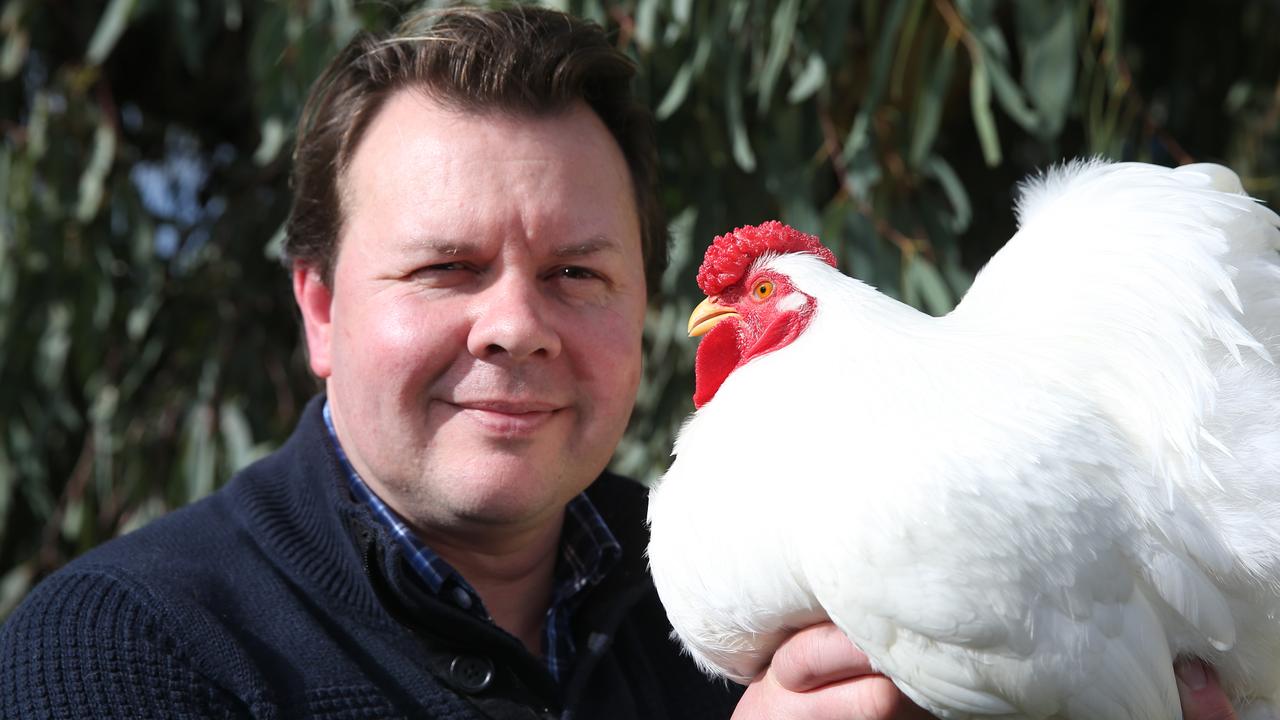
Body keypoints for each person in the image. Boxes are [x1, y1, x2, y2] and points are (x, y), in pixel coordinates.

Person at [0, 5, 1241, 720]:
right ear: (317, 308)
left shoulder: (754, 588)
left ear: (644, 308)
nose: (514, 325)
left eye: (576, 275)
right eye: (443, 269)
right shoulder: (123, 652)